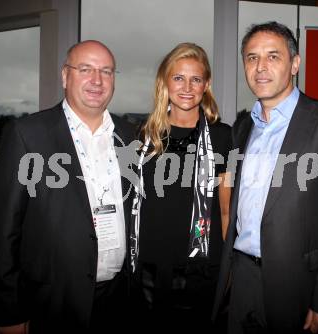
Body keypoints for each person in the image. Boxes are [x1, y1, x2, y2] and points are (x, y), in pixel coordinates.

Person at [212, 22, 318, 334]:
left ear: (295, 63)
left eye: (272, 57)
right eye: (252, 58)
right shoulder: (243, 128)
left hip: (297, 286)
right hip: (241, 279)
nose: (261, 67)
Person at [0, 40, 135, 333]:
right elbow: (2, 230)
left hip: (118, 297)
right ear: (65, 76)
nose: (97, 79)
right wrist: (9, 311)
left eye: (106, 71)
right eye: (85, 69)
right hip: (51, 300)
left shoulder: (129, 135)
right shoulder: (28, 134)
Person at [129, 42, 231, 333]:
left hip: (198, 272)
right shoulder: (142, 136)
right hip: (145, 270)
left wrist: (228, 271)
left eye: (195, 79)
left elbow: (226, 210)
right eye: (178, 78)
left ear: (206, 84)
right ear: (164, 82)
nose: (187, 87)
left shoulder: (224, 138)